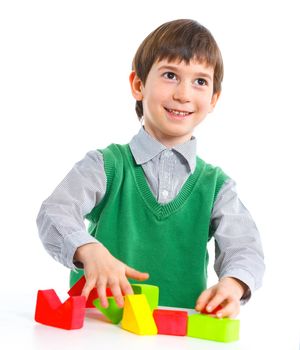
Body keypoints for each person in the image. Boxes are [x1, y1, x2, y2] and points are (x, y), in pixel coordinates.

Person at [37, 19, 265, 318]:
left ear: (213, 99)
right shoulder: (106, 164)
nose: (183, 94)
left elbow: (245, 246)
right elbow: (54, 212)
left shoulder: (216, 186)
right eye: (170, 75)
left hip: (177, 334)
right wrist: (89, 252)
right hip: (100, 329)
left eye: (200, 81)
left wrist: (233, 285)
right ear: (138, 85)